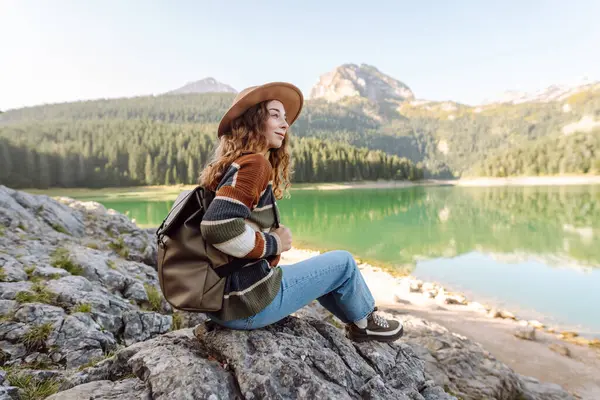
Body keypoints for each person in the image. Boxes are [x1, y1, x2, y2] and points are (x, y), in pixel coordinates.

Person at [198, 82, 403, 342]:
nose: (285, 124)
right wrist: (274, 243)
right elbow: (217, 226)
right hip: (247, 305)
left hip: (223, 303)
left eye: (285, 118)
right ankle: (367, 322)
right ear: (251, 120)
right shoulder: (254, 164)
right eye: (275, 115)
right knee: (343, 263)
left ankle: (359, 321)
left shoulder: (231, 165)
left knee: (324, 271)